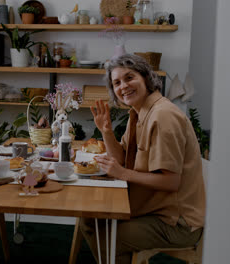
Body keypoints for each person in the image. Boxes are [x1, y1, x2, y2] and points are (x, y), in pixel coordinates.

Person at [81, 54, 205, 264]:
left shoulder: (163, 116)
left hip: (177, 222)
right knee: (89, 219)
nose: (123, 86)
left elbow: (170, 181)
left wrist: (122, 174)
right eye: (117, 83)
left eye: (129, 78)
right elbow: (121, 158)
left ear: (146, 78)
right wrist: (106, 131)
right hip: (151, 208)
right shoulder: (138, 113)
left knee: (105, 237)